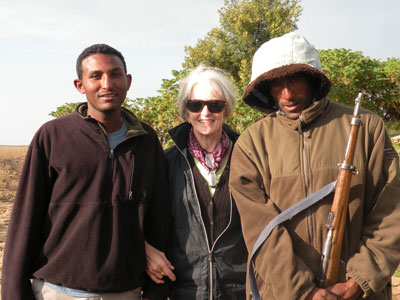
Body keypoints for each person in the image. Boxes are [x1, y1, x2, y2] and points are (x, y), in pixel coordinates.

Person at [229, 32, 400, 300]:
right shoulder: (251, 145)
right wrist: (303, 292)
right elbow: (260, 231)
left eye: (294, 79)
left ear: (312, 79)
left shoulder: (367, 129)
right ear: (265, 88)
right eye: (276, 83)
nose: (287, 93)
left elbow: (391, 214)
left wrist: (359, 280)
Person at [2, 44, 170, 300]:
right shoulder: (53, 136)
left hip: (125, 292)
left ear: (128, 81)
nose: (107, 84)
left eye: (115, 74)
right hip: (58, 291)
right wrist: (14, 292)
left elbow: (158, 219)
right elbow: (26, 218)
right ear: (80, 85)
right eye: (96, 76)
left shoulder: (146, 141)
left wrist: (156, 291)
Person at [145, 65, 248, 299]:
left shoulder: (249, 159)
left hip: (240, 291)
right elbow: (142, 218)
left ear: (227, 108)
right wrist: (146, 252)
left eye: (215, 105)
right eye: (196, 105)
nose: (205, 112)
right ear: (185, 110)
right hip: (183, 291)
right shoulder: (166, 162)